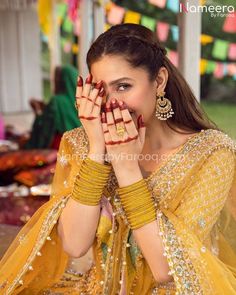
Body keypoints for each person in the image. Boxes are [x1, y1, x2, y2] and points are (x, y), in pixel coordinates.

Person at [0, 23, 236, 294]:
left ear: (159, 81)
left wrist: (126, 168)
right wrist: (97, 150)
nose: (112, 105)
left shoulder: (212, 154)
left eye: (123, 86)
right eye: (101, 91)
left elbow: (166, 269)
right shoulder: (82, 143)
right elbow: (75, 245)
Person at [25, 64, 81, 149]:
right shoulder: (83, 102)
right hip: (80, 147)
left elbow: (44, 129)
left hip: (61, 149)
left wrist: (38, 111)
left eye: (56, 79)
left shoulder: (56, 101)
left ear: (62, 81)